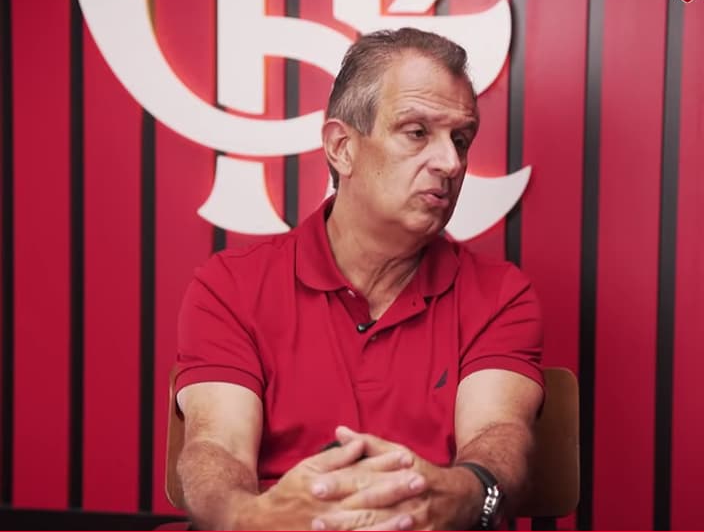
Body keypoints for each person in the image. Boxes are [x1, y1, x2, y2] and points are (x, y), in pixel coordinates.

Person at [173, 27, 544, 530]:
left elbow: (498, 436)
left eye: (461, 139)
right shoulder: (230, 286)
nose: (451, 163)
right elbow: (216, 448)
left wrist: (459, 494)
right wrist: (251, 519)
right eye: (417, 133)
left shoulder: (501, 295)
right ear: (342, 147)